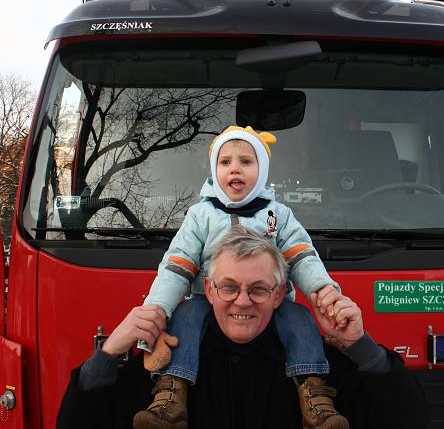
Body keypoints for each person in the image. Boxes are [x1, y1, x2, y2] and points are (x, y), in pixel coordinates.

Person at [56, 226, 430, 429]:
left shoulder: (320, 368)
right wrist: (107, 356)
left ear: (281, 293)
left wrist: (362, 347)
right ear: (208, 289)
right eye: (230, 287)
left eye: (259, 289)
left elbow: (409, 422)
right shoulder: (166, 371)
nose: (243, 301)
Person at [135, 126, 348, 428]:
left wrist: (322, 288)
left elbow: (302, 256)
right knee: (185, 315)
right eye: (225, 162)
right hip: (209, 301)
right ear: (214, 170)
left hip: (268, 302)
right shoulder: (200, 215)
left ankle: (314, 395)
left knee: (299, 316)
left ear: (262, 170)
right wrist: (158, 306)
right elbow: (177, 266)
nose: (235, 168)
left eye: (246, 162)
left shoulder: (279, 214)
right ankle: (171, 395)